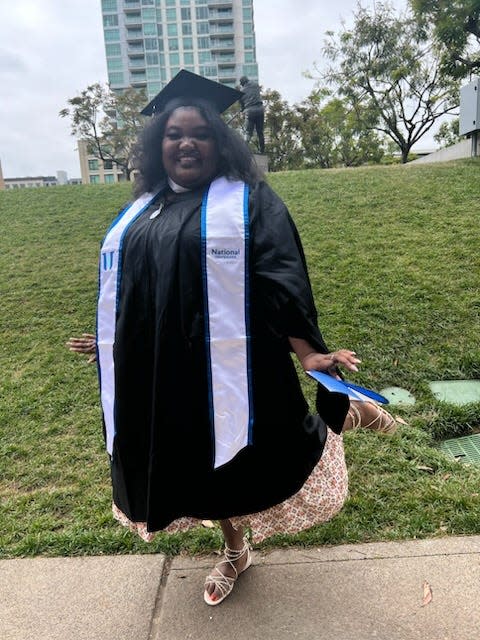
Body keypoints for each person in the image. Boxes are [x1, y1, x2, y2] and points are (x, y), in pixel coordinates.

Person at [83, 70, 396, 607]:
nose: (186, 143)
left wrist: (310, 351)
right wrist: (110, 339)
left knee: (251, 454)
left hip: (238, 366)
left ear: (218, 142)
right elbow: (134, 288)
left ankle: (345, 414)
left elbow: (281, 277)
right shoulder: (143, 211)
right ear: (159, 145)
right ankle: (234, 549)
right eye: (174, 134)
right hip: (165, 368)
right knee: (195, 466)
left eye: (199, 133)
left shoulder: (249, 201)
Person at [239, 75, 265, 154]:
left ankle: (244, 150)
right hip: (260, 109)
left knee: (248, 132)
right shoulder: (255, 85)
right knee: (260, 132)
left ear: (242, 83)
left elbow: (242, 104)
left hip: (250, 111)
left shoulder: (242, 91)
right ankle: (262, 150)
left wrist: (242, 109)